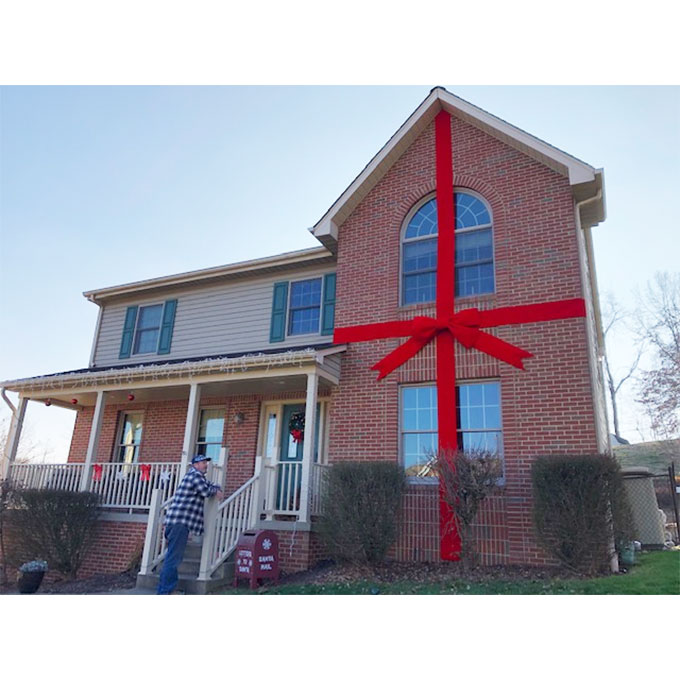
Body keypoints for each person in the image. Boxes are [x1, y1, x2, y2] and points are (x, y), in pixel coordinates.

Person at [157, 454, 224, 594]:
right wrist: (216, 491)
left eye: (206, 462)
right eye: (203, 462)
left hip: (175, 523)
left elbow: (208, 485)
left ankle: (166, 590)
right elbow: (205, 491)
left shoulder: (194, 477)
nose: (206, 464)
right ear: (195, 465)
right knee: (173, 560)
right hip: (179, 524)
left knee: (171, 558)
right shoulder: (195, 477)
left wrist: (215, 487)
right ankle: (165, 592)